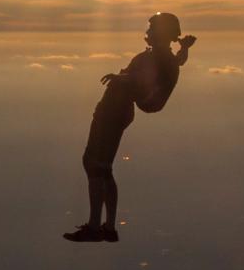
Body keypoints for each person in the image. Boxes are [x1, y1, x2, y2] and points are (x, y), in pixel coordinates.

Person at [63, 13, 197, 243]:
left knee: (96, 165)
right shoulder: (163, 57)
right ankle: (108, 227)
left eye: (152, 28)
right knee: (100, 166)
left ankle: (96, 227)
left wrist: (122, 79)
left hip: (114, 113)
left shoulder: (159, 58)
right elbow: (176, 62)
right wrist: (184, 48)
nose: (148, 32)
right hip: (116, 111)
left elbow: (147, 81)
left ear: (160, 33)